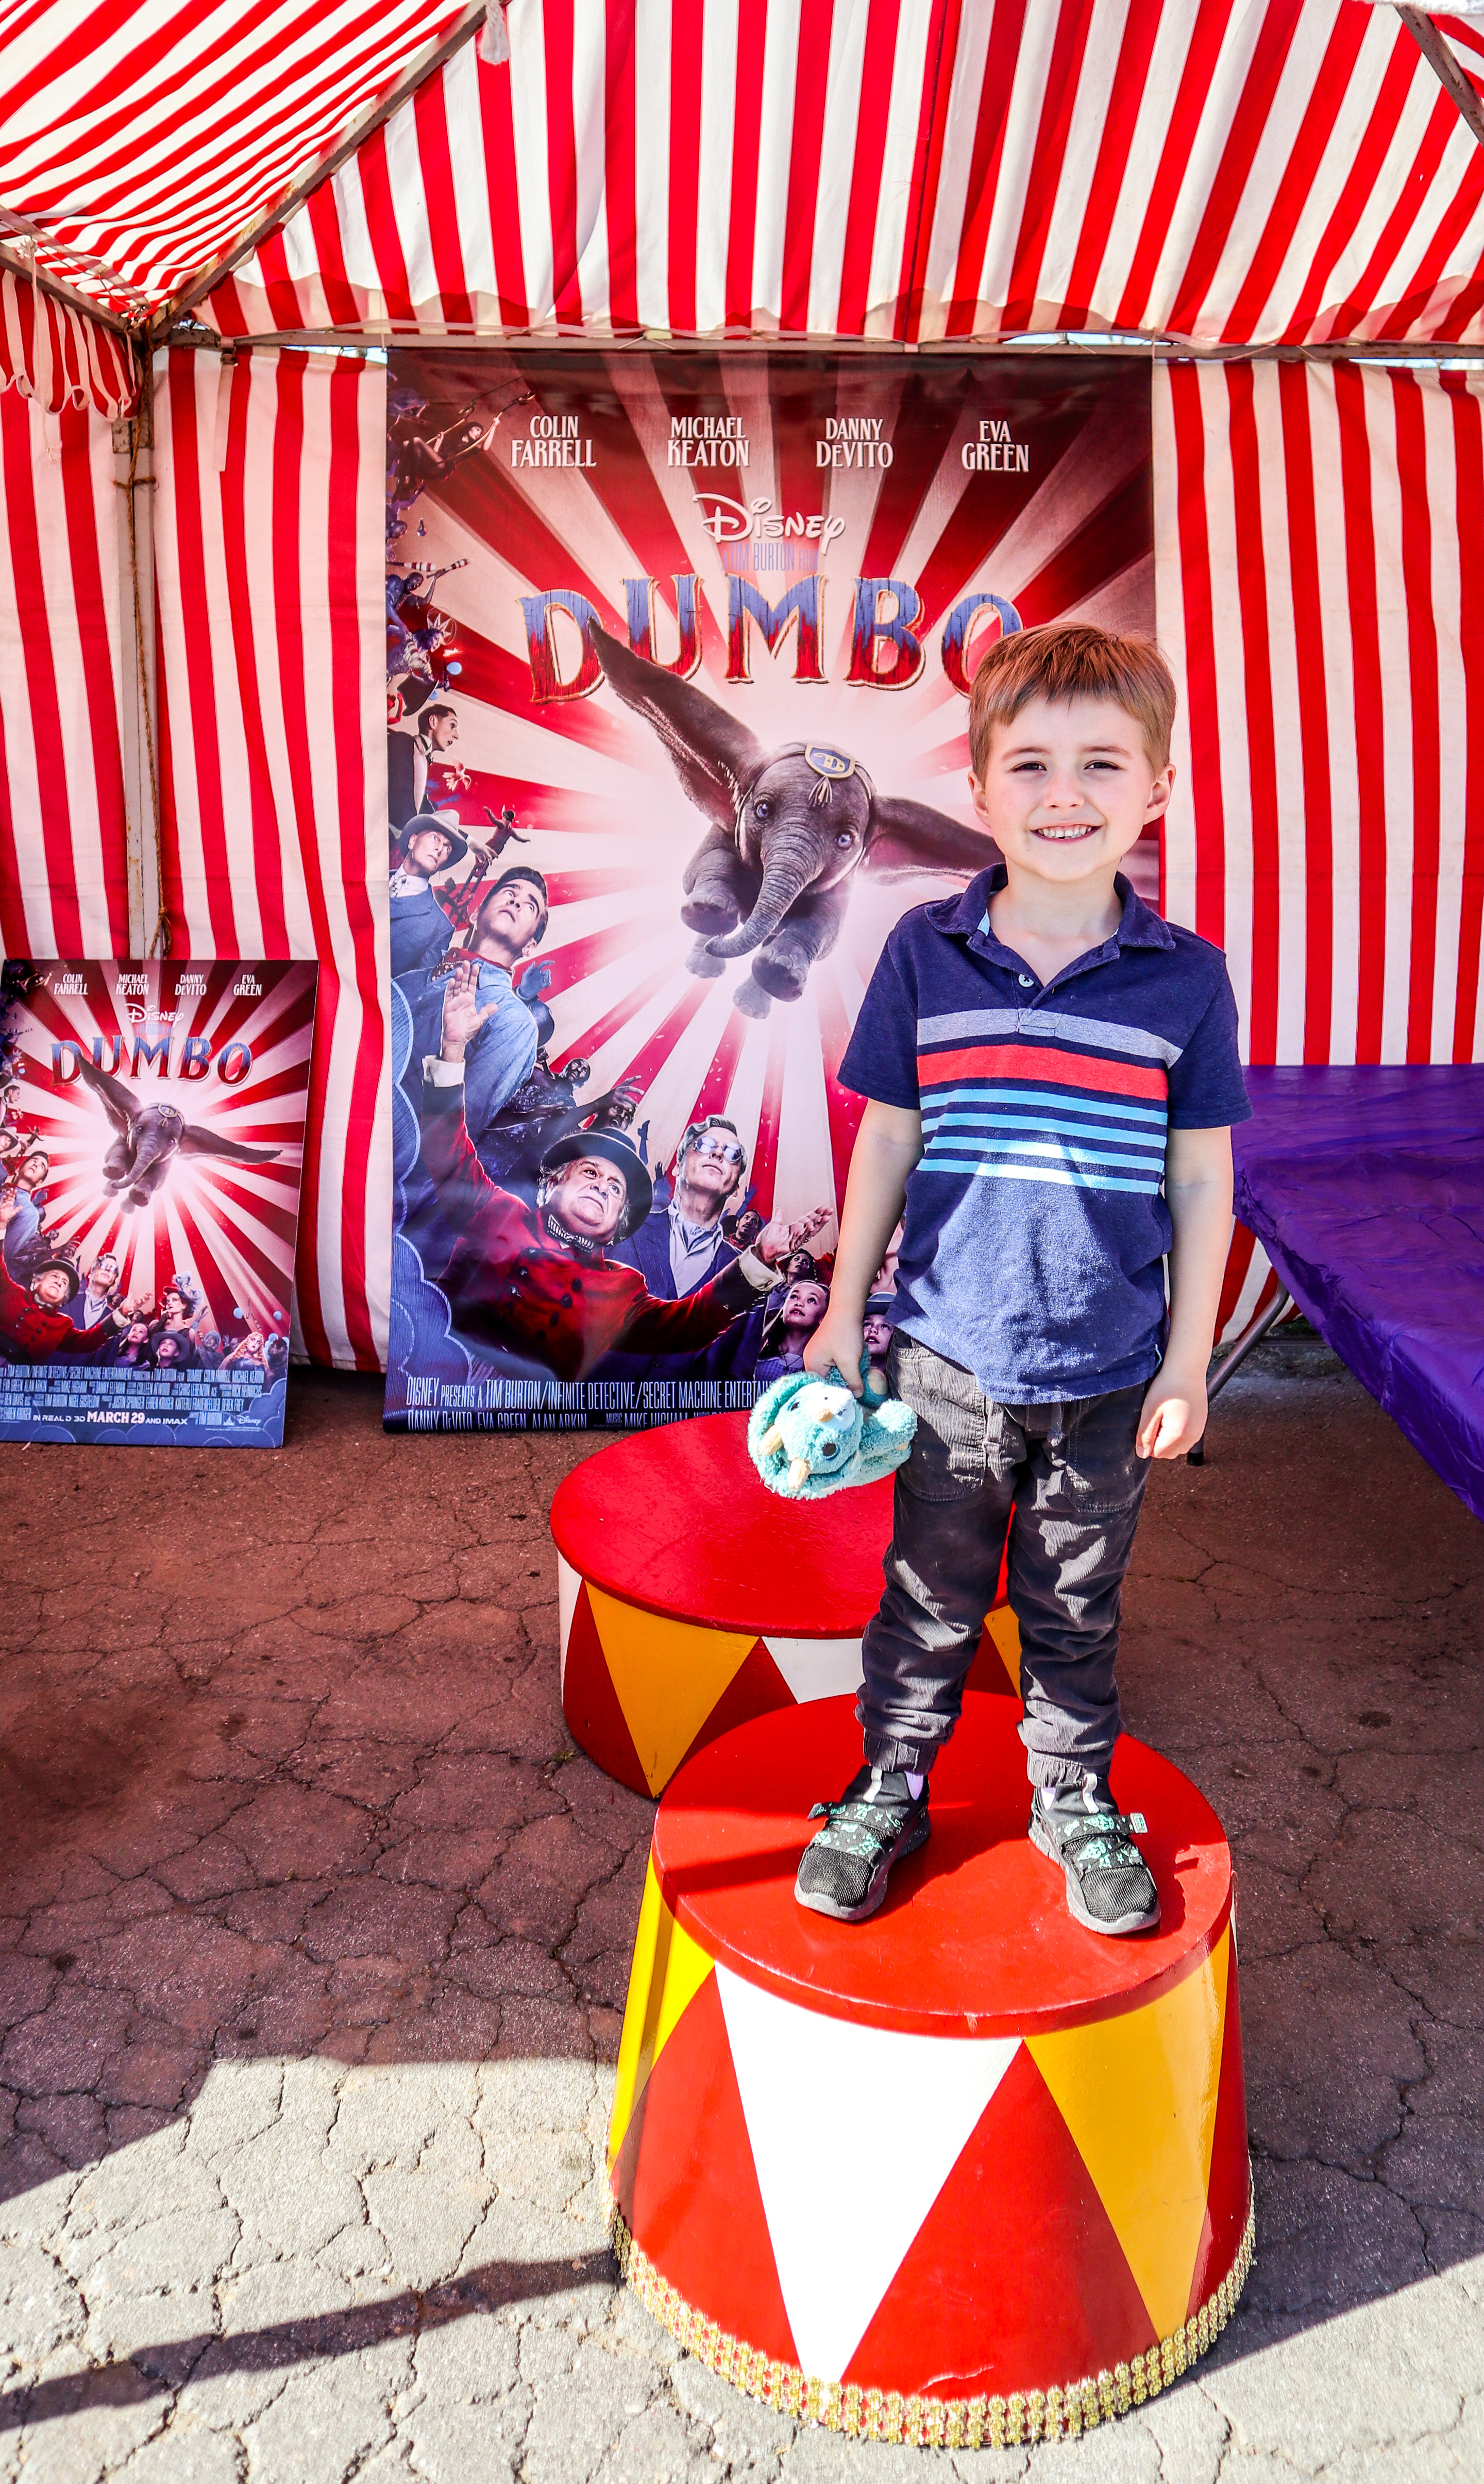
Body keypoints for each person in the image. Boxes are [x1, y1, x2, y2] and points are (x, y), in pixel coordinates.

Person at [795, 621, 1250, 1937]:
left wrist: (1186, 1360)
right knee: (929, 1597)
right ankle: (887, 1787)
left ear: (1157, 788)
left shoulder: (1184, 980)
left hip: (1110, 1370)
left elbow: (1202, 1182)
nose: (1066, 796)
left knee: (1073, 1601)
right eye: (1032, 764)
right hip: (945, 1361)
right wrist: (839, 1309)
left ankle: (1071, 1796)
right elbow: (884, 1134)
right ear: (980, 790)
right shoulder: (925, 955)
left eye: (1102, 764)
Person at [417, 961, 823, 1384]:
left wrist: (759, 1259)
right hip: (437, 1373)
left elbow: (694, 1322)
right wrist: (452, 1050)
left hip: (533, 1413)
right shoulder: (498, 1211)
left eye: (615, 1188)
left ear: (616, 1227)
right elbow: (447, 1154)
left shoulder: (621, 1288)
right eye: (590, 1172)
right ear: (552, 1181)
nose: (602, 1187)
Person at [398, 869, 550, 1150]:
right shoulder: (411, 976)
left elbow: (449, 1139)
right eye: (510, 892)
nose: (516, 902)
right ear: (477, 912)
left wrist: (450, 1052)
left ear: (529, 947)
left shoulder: (514, 1022)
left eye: (530, 906)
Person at [0, 1195, 142, 1360]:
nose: (59, 1282)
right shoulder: (12, 1292)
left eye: (64, 1283)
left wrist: (122, 1313)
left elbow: (90, 1341)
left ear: (63, 1300)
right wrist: (2, 1225)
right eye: (54, 1276)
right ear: (36, 1281)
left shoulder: (63, 1325)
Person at [389, 814, 468, 976]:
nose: (440, 849)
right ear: (412, 841)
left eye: (447, 848)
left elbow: (412, 990)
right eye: (435, 838)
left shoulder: (440, 928)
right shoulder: (367, 879)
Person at [388, 698, 460, 830]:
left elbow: (429, 815)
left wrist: (470, 841)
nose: (456, 736)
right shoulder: (402, 742)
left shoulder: (422, 760)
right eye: (452, 726)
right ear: (433, 722)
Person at [754, 1277, 830, 1384]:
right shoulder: (757, 1350)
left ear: (823, 1317)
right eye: (794, 1297)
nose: (799, 1304)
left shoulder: (824, 1367)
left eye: (812, 1300)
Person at [72, 1250, 122, 1332]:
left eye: (113, 1269)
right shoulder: (67, 1299)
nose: (108, 1269)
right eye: (103, 1265)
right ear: (91, 1274)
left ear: (114, 1283)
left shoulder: (113, 1319)